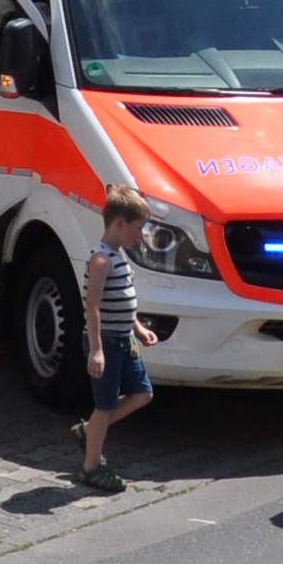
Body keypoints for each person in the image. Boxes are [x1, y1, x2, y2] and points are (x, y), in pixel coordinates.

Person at [80, 186, 162, 494]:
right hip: (109, 343)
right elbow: (93, 305)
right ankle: (90, 466)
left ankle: (90, 433)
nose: (140, 236)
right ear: (119, 224)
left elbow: (122, 299)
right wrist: (97, 349)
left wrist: (137, 328)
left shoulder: (119, 256)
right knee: (104, 405)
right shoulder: (101, 260)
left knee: (142, 393)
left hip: (125, 338)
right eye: (138, 228)